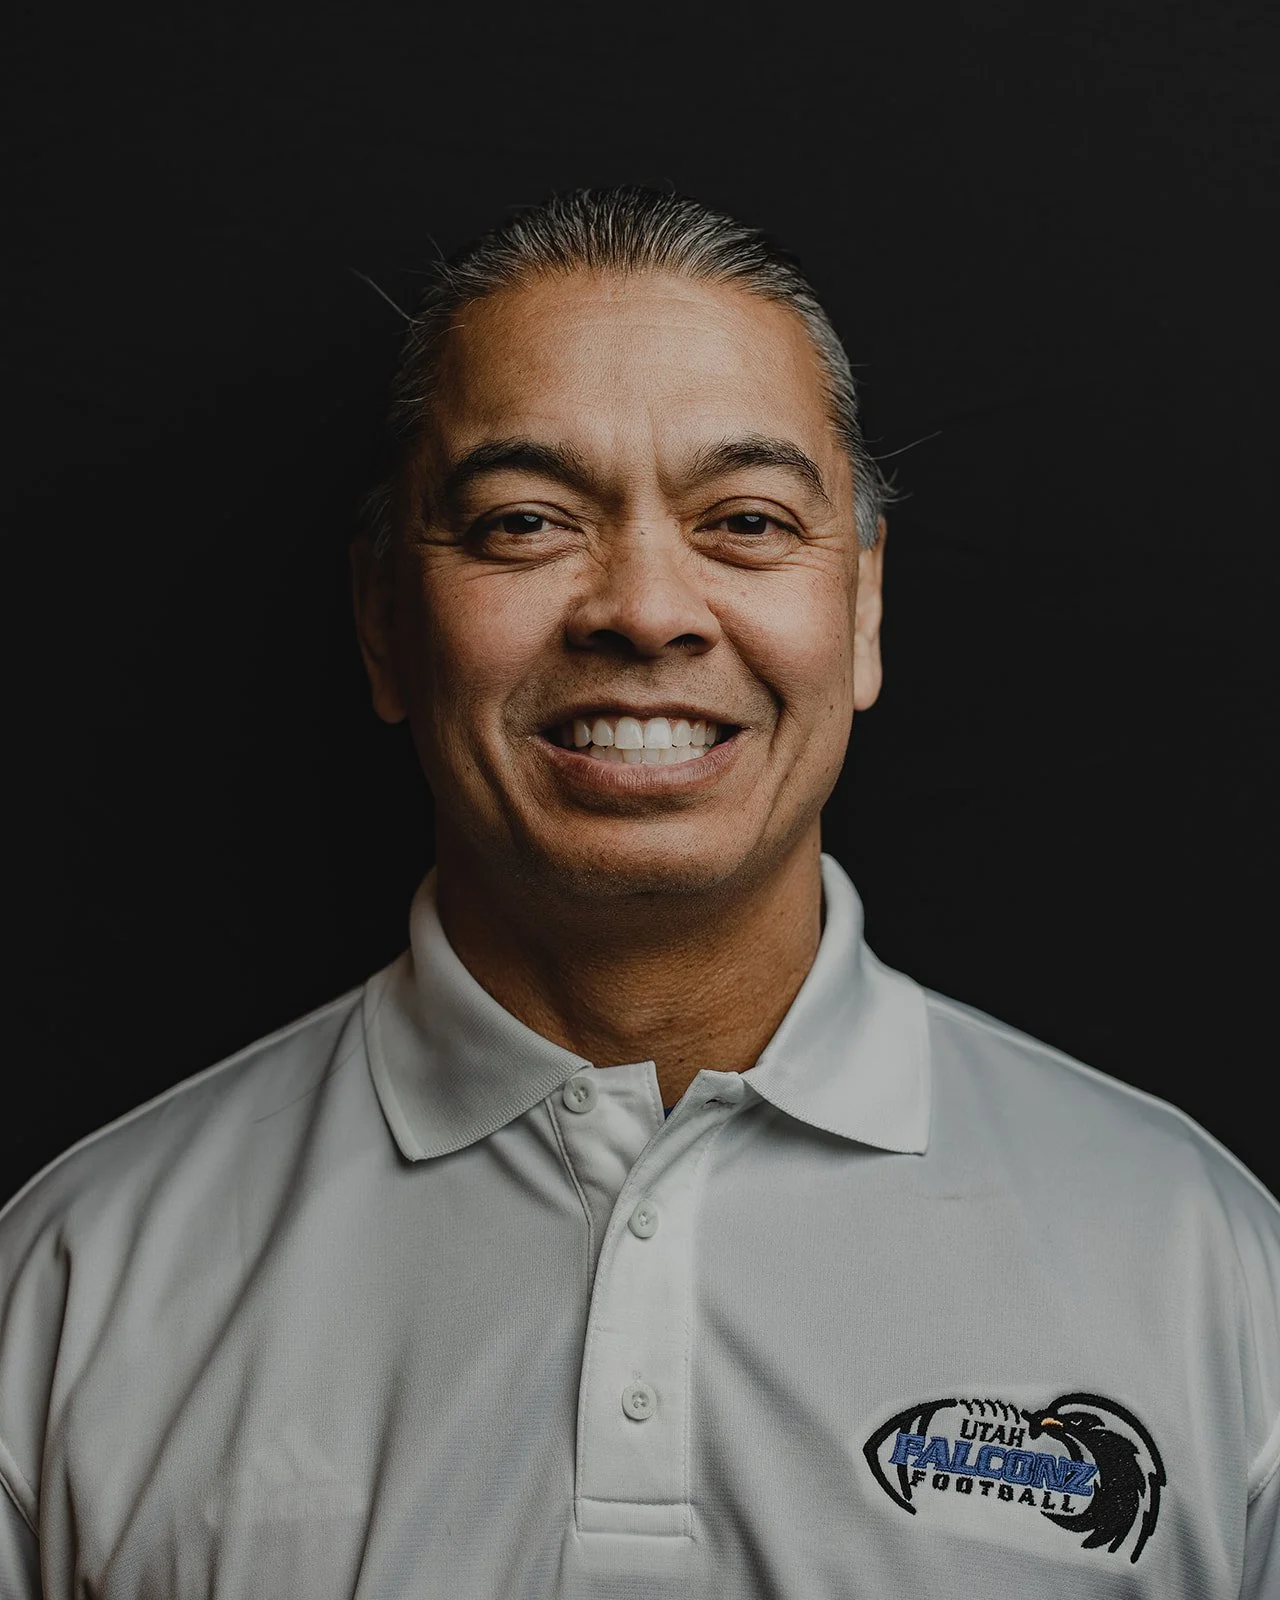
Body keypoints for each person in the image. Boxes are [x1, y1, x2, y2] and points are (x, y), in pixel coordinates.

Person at [1, 185, 1276, 1599]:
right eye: (524, 523)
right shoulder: (74, 1288)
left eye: (746, 520)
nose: (647, 610)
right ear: (384, 623)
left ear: (861, 608)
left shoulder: (1203, 1265)